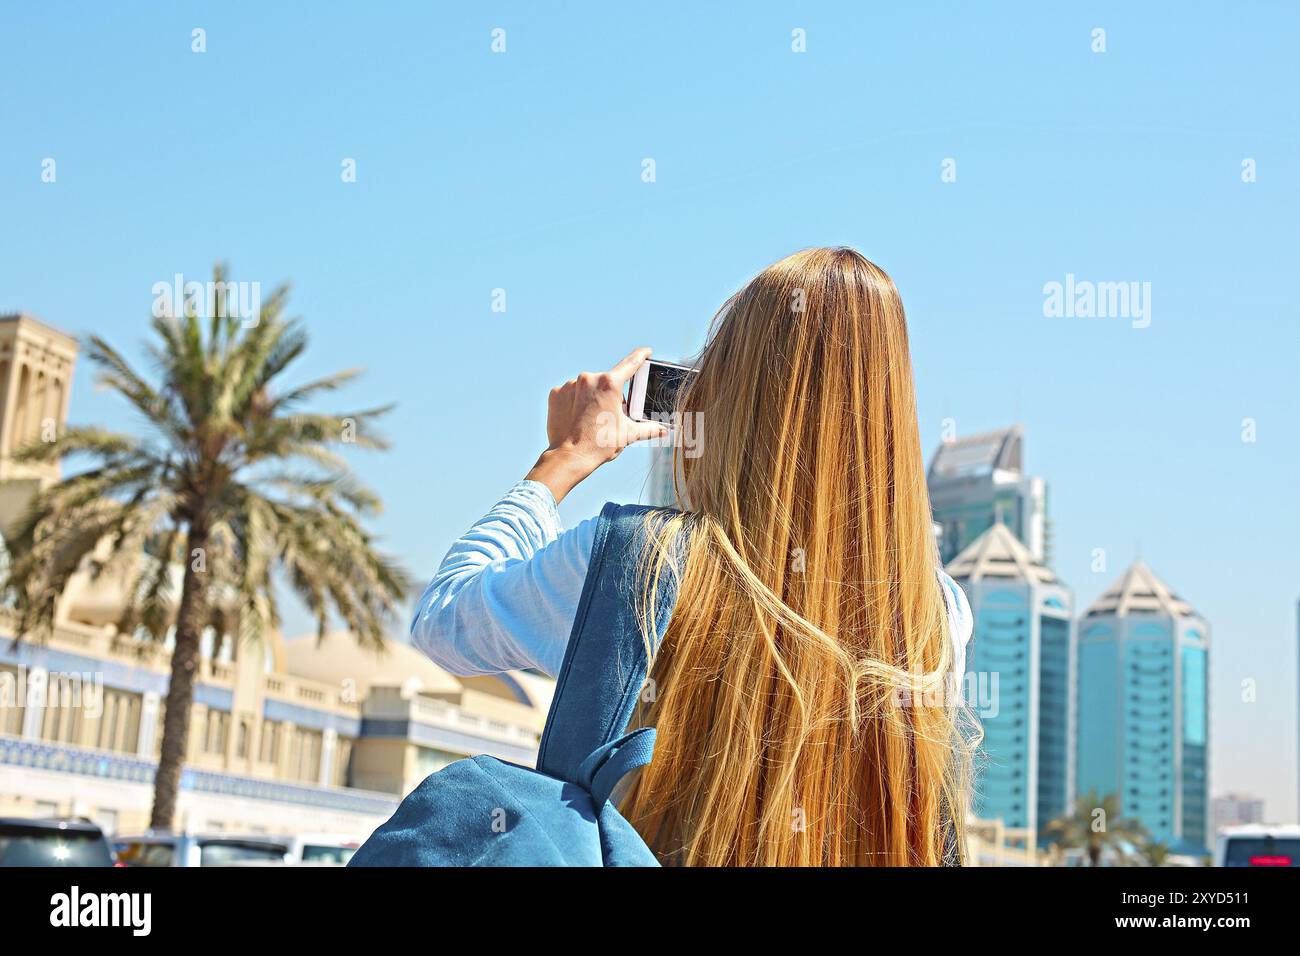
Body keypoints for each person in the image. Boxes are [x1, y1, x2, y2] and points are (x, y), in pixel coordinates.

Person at [413, 247, 973, 866]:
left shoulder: (637, 563)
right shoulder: (938, 612)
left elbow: (443, 621)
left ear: (720, 403)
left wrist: (565, 457)